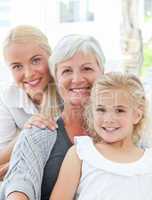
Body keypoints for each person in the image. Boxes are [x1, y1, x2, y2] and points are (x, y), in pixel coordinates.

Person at [0, 34, 105, 200]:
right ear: (56, 78)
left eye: (87, 68)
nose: (77, 79)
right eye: (67, 71)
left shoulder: (123, 129)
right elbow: (20, 185)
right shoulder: (38, 131)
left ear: (102, 72)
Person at [50, 72, 152, 200]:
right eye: (101, 110)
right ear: (92, 112)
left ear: (137, 115)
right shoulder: (81, 153)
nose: (109, 119)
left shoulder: (148, 161)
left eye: (119, 110)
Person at [0, 25, 59, 180]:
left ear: (50, 56)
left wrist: (15, 160)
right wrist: (27, 132)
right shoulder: (8, 97)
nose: (29, 73)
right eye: (17, 66)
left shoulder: (66, 89)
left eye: (35, 60)